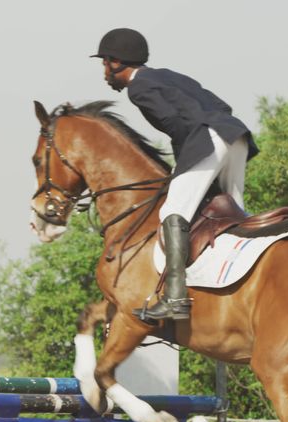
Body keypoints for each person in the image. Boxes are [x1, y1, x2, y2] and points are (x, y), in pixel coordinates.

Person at [92, 28, 259, 322]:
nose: (105, 72)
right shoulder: (166, 74)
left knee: (173, 212)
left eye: (105, 63)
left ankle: (175, 298)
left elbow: (175, 126)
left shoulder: (138, 88)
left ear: (117, 62)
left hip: (209, 139)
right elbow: (221, 105)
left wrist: (183, 164)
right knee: (233, 212)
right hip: (235, 136)